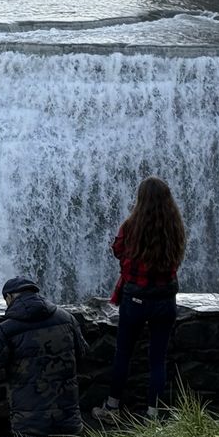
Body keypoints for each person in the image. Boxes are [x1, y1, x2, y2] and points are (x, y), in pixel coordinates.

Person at [94, 176, 186, 423]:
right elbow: (178, 256)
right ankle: (152, 414)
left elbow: (117, 250)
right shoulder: (174, 227)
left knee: (123, 353)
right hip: (164, 300)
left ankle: (112, 407)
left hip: (134, 300)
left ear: (140, 199)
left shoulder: (130, 225)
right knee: (158, 359)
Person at [0, 276, 88, 437]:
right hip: (69, 423)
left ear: (10, 297)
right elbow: (82, 354)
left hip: (30, 429)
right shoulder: (67, 318)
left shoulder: (7, 330)